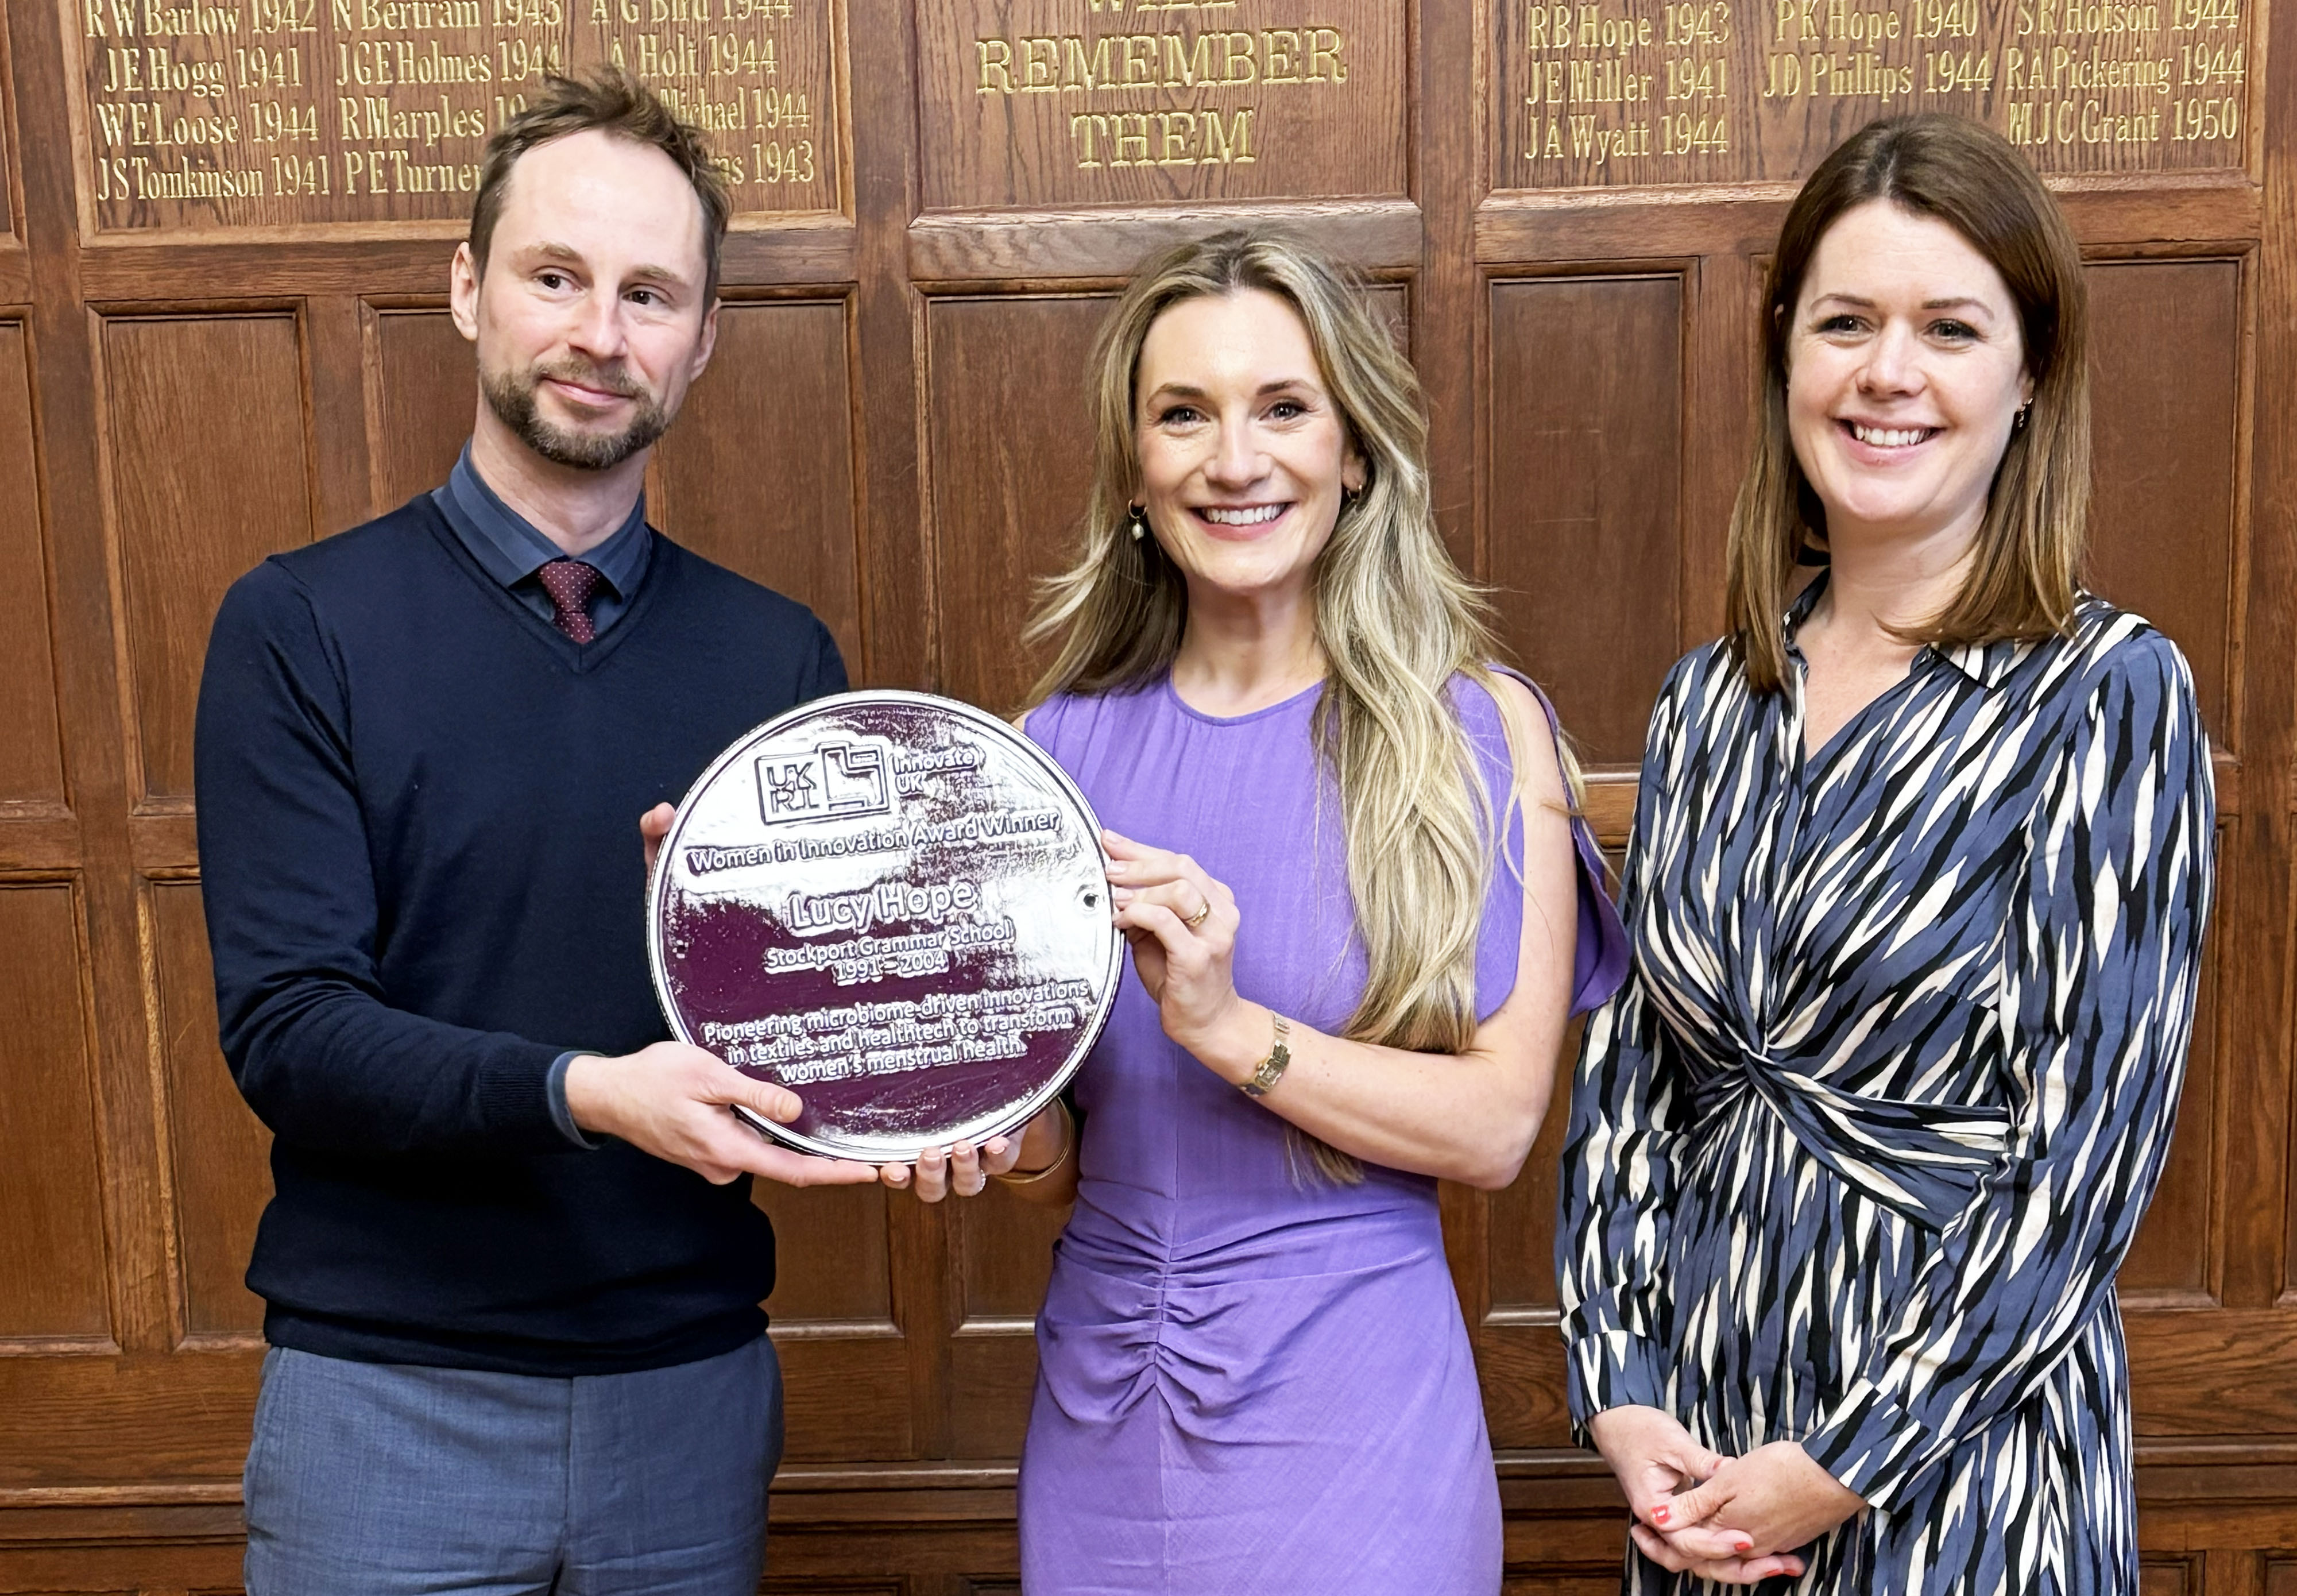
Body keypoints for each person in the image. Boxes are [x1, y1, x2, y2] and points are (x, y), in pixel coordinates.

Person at [195, 69, 905, 1595]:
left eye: (651, 293)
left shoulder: (778, 661)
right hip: (388, 1403)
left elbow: (837, 1030)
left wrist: (945, 1079)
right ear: (469, 288)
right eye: (557, 276)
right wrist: (589, 1090)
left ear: (703, 336)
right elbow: (292, 1031)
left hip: (691, 1398)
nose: (602, 331)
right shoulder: (300, 623)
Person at [1556, 114, 2217, 1593]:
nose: (1886, 373)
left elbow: (2082, 1167)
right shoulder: (1708, 701)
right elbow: (1629, 1081)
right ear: (1784, 351)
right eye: (1844, 321)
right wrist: (1620, 1391)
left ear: (2028, 375)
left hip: (1958, 1474)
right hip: (1706, 1465)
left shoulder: (2101, 693)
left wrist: (1838, 1466)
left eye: (1948, 327)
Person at [948, 228, 1629, 1593]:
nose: (1233, 459)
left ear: (1356, 452)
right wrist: (973, 1126)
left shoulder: (1478, 735)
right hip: (1099, 1413)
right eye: (1181, 414)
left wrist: (1225, 1025)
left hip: (1357, 1416)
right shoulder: (1047, 757)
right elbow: (1061, 1161)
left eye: (1282, 407)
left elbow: (1495, 1127)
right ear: (1135, 470)